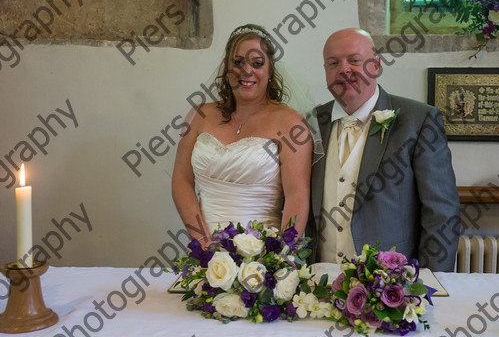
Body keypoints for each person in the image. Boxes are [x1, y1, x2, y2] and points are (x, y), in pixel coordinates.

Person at [307, 28, 460, 272]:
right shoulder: (312, 121)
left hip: (389, 285)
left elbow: (441, 214)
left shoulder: (419, 120)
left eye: (354, 61)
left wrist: (434, 283)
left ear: (376, 66)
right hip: (318, 279)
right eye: (333, 63)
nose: (344, 69)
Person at [172, 24, 313, 246]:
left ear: (270, 70)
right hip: (206, 255)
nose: (246, 71)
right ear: (226, 67)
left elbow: (297, 194)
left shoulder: (291, 122)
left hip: (264, 258)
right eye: (237, 62)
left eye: (257, 63)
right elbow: (181, 181)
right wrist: (203, 244)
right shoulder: (200, 114)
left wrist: (282, 253)